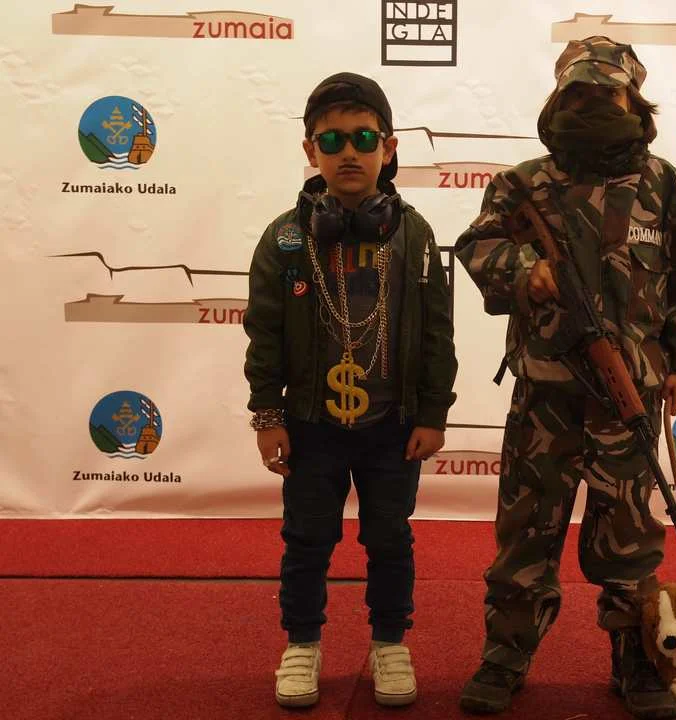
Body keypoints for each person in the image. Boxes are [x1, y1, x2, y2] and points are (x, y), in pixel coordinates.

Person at [454, 37, 676, 719]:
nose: (593, 103)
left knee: (630, 547)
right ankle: (505, 655)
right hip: (544, 398)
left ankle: (639, 663)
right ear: (558, 98)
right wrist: (527, 271)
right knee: (526, 538)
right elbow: (478, 246)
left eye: (607, 93)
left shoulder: (664, 184)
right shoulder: (521, 184)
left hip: (628, 402)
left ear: (633, 100)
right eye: (578, 92)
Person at [242, 72, 457, 709]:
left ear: (388, 148)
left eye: (363, 137)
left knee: (389, 538)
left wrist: (433, 414)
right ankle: (302, 643)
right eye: (331, 140)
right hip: (312, 425)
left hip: (393, 426)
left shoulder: (414, 235)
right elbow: (264, 335)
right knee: (307, 539)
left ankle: (390, 643)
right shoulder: (285, 238)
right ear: (311, 151)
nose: (348, 152)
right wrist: (268, 416)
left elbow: (438, 334)